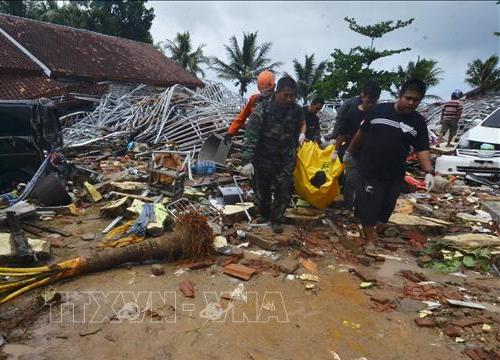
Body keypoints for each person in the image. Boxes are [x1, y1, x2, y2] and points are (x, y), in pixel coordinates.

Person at [344, 79, 435, 253]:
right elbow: (361, 134)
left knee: (385, 211)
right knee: (368, 207)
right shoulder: (378, 111)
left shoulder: (418, 122)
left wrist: (429, 172)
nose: (411, 103)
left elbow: (422, 148)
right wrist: (349, 153)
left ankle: (373, 231)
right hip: (369, 169)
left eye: (416, 100)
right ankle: (370, 242)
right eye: (408, 98)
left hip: (394, 174)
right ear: (399, 96)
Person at [241, 76, 306, 233]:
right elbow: (251, 135)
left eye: (292, 96)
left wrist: (302, 134)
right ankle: (265, 214)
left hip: (286, 157)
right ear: (277, 92)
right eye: (286, 95)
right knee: (262, 190)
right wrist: (247, 160)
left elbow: (302, 123)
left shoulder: (296, 110)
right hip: (264, 157)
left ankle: (277, 219)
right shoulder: (262, 109)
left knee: (284, 188)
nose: (289, 99)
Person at [330, 80, 381, 161]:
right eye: (368, 102)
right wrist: (335, 150)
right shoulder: (352, 110)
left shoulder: (379, 113)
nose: (370, 105)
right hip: (351, 150)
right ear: (363, 96)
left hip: (369, 153)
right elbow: (341, 129)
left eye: (373, 102)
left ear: (378, 98)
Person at [225, 70, 276, 139]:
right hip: (252, 138)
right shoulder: (254, 99)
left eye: (267, 91)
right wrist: (230, 132)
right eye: (262, 91)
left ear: (273, 87)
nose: (264, 94)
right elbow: (241, 117)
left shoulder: (280, 101)